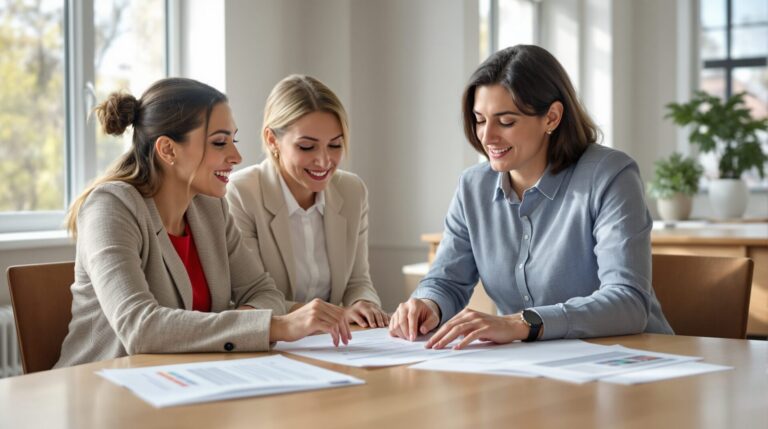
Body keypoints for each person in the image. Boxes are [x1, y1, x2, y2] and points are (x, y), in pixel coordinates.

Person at [388, 45, 673, 349]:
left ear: (552, 117)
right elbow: (447, 280)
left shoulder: (610, 175)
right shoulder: (473, 186)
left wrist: (522, 323)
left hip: (630, 357)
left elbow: (628, 301)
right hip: (533, 364)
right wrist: (427, 303)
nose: (487, 137)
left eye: (506, 121)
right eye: (480, 119)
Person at [56, 78, 351, 368]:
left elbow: (263, 291)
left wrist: (246, 325)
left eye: (233, 140)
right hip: (102, 385)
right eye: (219, 143)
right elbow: (140, 328)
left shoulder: (210, 207)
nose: (236, 156)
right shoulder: (110, 207)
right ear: (168, 149)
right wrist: (276, 326)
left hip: (188, 379)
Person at [226, 75, 388, 328]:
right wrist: (332, 314)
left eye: (335, 145)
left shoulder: (352, 191)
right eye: (306, 147)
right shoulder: (242, 193)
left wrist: (363, 303)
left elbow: (358, 282)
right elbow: (250, 296)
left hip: (333, 338)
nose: (324, 161)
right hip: (272, 339)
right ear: (272, 139)